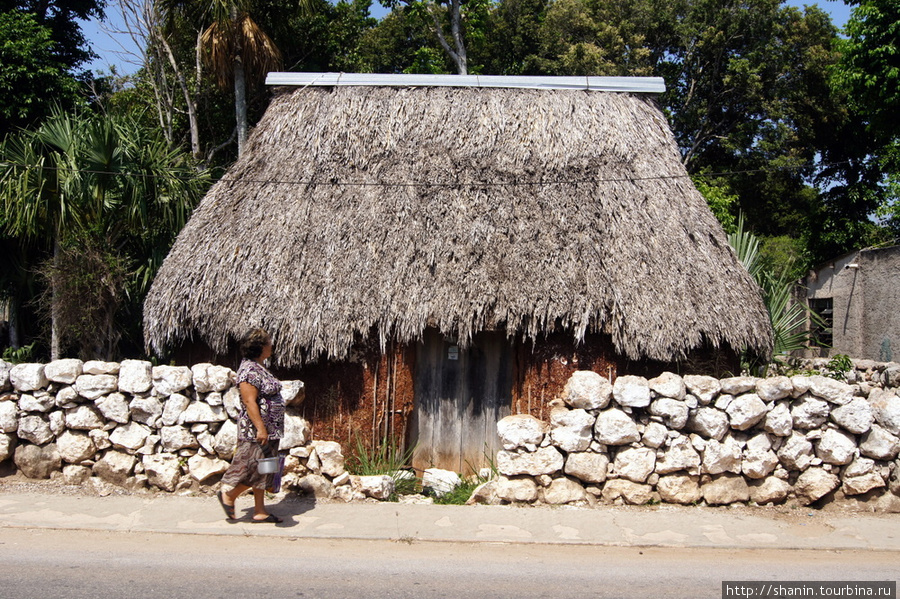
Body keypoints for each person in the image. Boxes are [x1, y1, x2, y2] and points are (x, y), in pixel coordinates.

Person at [217, 328, 285, 523]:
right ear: (261, 347)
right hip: (256, 431)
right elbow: (249, 401)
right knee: (254, 468)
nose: (272, 345)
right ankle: (229, 495)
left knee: (264, 469)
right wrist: (261, 428)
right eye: (269, 342)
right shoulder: (249, 371)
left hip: (270, 429)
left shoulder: (258, 367)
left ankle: (260, 510)